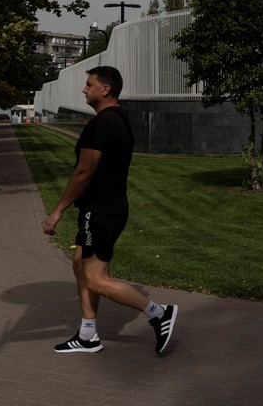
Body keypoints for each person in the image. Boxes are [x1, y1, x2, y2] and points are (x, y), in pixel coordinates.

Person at [43, 66, 178, 355]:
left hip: (100, 211)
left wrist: (58, 210)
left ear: (105, 89)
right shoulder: (119, 120)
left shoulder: (102, 124)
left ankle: (159, 313)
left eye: (89, 84)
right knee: (80, 264)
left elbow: (84, 171)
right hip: (109, 208)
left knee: (95, 278)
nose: (84, 89)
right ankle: (87, 335)